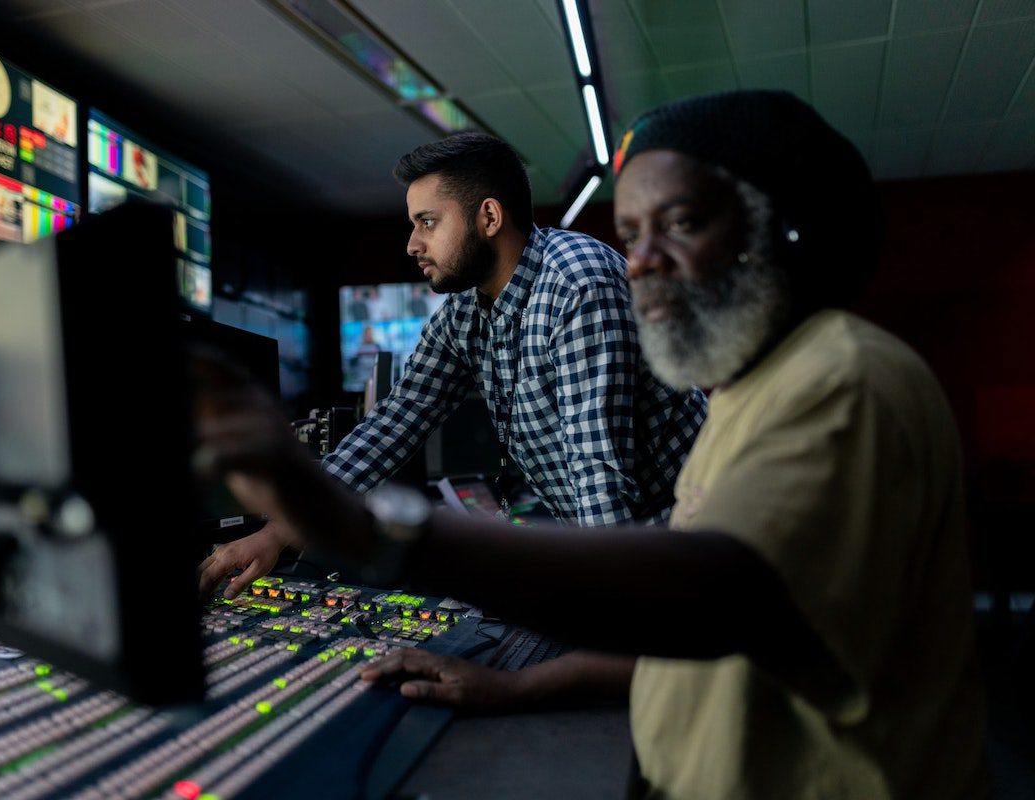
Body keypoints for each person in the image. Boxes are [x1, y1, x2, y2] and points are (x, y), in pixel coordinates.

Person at [195, 90, 989, 798]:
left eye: (677, 225)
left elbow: (693, 579)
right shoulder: (752, 390)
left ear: (781, 228)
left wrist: (379, 535)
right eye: (631, 230)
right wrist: (283, 528)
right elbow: (400, 420)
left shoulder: (840, 380)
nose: (637, 261)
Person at [198, 131, 706, 599]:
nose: (412, 244)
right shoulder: (467, 310)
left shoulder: (576, 285)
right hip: (618, 552)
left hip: (680, 546)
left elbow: (600, 478)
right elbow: (396, 421)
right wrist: (278, 532)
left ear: (488, 217)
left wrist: (609, 626)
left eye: (428, 222)